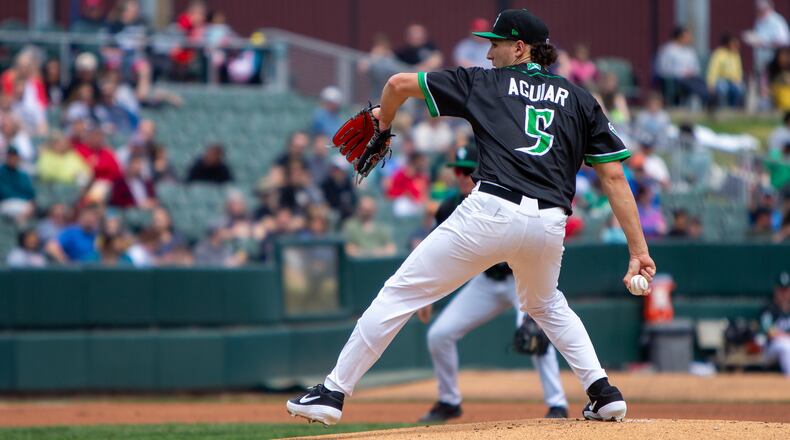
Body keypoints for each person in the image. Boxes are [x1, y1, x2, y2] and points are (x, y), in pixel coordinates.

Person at [287, 9, 656, 425]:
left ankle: (333, 392)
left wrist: (383, 120)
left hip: (491, 210)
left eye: (496, 43)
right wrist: (638, 250)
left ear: (520, 48)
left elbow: (396, 84)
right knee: (546, 303)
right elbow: (612, 174)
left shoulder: (485, 82)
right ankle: (603, 393)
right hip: (550, 224)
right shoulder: (581, 100)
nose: (489, 51)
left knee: (400, 294)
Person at [415, 145, 568, 422]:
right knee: (439, 335)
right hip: (485, 281)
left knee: (535, 335)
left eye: (468, 171)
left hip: (520, 279)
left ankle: (557, 405)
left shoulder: (507, 197)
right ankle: (449, 401)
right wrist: (426, 297)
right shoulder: (449, 207)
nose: (462, 176)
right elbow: (436, 256)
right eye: (458, 171)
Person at [655, 26, 708, 108]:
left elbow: (696, 67)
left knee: (703, 83)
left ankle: (708, 102)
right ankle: (704, 104)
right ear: (679, 37)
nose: (689, 39)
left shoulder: (690, 51)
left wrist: (691, 72)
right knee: (694, 87)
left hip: (691, 77)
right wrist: (681, 73)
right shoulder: (668, 50)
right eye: (687, 37)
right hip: (676, 79)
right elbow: (662, 69)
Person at [743, 0, 790, 80]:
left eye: (762, 9)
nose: (760, 11)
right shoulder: (759, 22)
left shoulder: (776, 21)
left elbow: (783, 41)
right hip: (761, 61)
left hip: (774, 62)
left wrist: (762, 42)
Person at [760, 271, 790, 376]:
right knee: (786, 345)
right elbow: (770, 333)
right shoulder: (769, 309)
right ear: (776, 290)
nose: (784, 293)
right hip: (771, 349)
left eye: (786, 290)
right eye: (781, 290)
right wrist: (787, 336)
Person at [706, 34, 744, 108]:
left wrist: (738, 80)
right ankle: (722, 108)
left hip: (733, 80)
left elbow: (739, 70)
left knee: (740, 89)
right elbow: (713, 69)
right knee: (723, 88)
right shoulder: (719, 54)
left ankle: (734, 108)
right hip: (720, 79)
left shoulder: (736, 55)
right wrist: (711, 83)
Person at [0, 147, 35, 224]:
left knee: (27, 212)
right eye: (10, 157)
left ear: (18, 158)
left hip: (23, 205)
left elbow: (31, 195)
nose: (12, 159)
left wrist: (31, 206)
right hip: (5, 204)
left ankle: (20, 232)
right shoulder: (1, 173)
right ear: (6, 158)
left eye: (14, 157)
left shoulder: (23, 175)